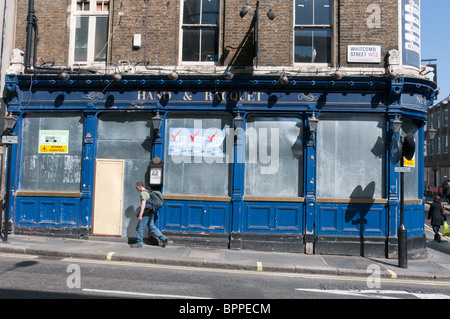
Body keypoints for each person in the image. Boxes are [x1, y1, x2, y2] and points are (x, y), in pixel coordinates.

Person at [130, 181, 169, 248]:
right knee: (152, 227)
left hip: (146, 213)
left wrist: (140, 215)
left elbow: (143, 205)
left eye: (137, 187)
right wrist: (139, 213)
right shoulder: (148, 192)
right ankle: (164, 238)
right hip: (151, 212)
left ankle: (139, 243)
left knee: (139, 228)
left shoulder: (143, 193)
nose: (136, 189)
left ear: (140, 186)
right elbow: (147, 204)